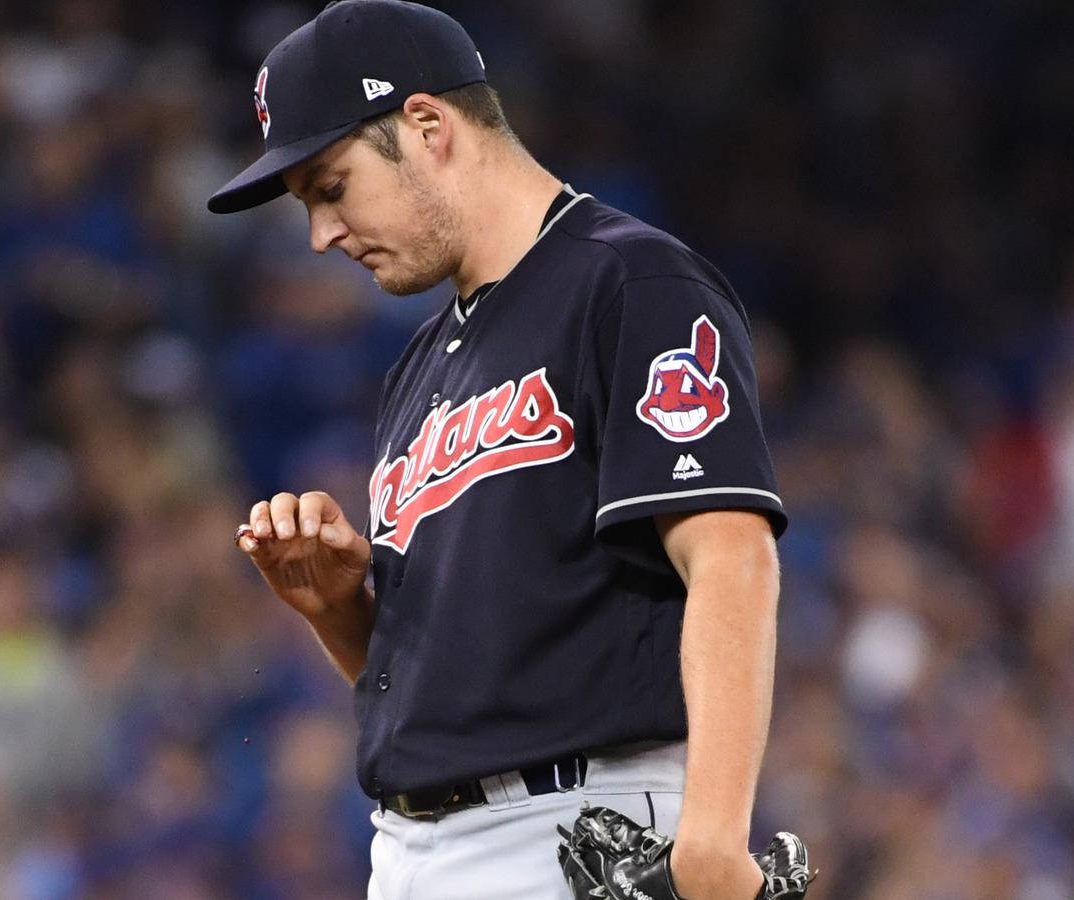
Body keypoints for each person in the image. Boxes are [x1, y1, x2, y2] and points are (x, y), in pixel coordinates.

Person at [212, 2, 787, 897]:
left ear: (427, 125)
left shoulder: (630, 283)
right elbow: (469, 699)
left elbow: (731, 555)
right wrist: (337, 612)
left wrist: (713, 837)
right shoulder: (416, 369)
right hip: (414, 847)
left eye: (331, 187)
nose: (321, 234)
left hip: (579, 833)